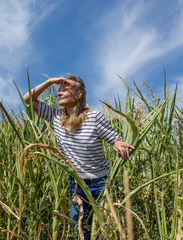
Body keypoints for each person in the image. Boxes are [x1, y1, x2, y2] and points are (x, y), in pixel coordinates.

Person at [23, 74, 134, 239]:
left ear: (79, 94)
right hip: (76, 184)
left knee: (106, 228)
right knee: (80, 229)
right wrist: (50, 81)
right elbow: (27, 99)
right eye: (59, 90)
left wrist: (118, 143)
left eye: (65, 90)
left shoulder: (93, 117)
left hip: (102, 182)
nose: (59, 93)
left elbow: (114, 138)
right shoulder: (55, 116)